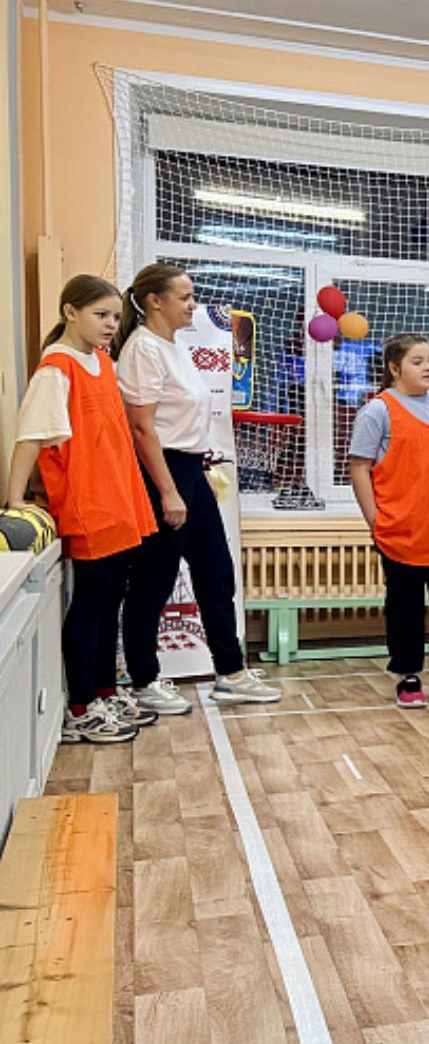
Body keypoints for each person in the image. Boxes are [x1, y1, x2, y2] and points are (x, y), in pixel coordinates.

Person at [115, 263, 280, 710]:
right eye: (185, 297)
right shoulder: (142, 348)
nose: (193, 305)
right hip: (161, 472)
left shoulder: (175, 346)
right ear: (155, 301)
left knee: (216, 572)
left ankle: (230, 672)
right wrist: (168, 490)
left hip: (190, 469)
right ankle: (144, 680)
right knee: (153, 580)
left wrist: (197, 471)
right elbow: (142, 428)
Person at [8, 275, 157, 743]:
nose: (111, 324)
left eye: (115, 316)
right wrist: (15, 501)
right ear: (70, 312)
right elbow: (30, 438)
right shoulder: (56, 368)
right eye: (100, 315)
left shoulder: (102, 362)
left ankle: (105, 691)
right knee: (90, 605)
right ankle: (80, 707)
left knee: (111, 601)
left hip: (119, 500)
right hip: (88, 504)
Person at [346, 334, 429, 709]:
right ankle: (408, 675)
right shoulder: (377, 410)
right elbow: (359, 467)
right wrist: (375, 520)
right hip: (400, 529)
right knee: (406, 607)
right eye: (418, 361)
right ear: (394, 368)